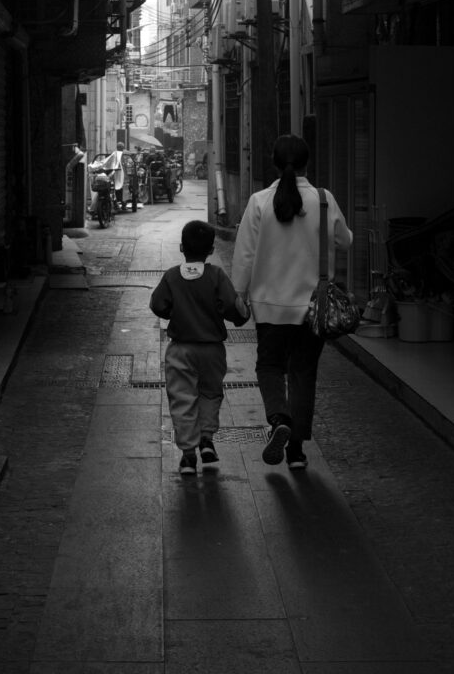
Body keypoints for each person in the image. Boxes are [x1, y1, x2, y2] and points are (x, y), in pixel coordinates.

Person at [231, 134, 353, 470]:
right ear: (307, 163)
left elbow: (244, 254)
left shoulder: (259, 202)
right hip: (313, 308)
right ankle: (296, 452)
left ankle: (279, 418)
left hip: (269, 305)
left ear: (274, 163)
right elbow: (345, 240)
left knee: (269, 366)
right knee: (303, 372)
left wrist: (238, 294)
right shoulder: (323, 200)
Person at [150, 219, 250, 474]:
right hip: (212, 349)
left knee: (182, 397)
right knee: (210, 393)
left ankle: (187, 456)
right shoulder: (216, 275)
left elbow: (157, 304)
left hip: (180, 349)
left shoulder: (172, 276)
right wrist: (242, 316)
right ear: (212, 250)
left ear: (181, 247)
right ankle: (206, 438)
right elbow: (233, 306)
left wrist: (175, 312)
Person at [87, 140, 126, 217]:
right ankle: (109, 207)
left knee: (108, 193)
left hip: (110, 176)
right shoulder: (116, 155)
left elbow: (107, 163)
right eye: (121, 147)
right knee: (104, 193)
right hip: (108, 177)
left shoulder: (116, 155)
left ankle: (108, 207)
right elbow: (107, 163)